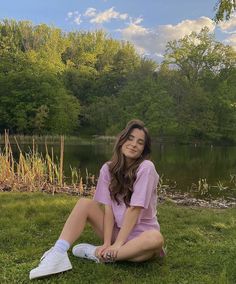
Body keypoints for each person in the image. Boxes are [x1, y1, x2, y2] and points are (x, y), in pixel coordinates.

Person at [29, 119, 165, 280]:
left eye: (140, 142)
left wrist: (118, 243)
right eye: (130, 138)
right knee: (84, 203)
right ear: (121, 141)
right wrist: (108, 242)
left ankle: (95, 253)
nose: (134, 144)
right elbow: (108, 209)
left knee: (156, 239)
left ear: (143, 150)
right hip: (116, 232)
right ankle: (58, 252)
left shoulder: (146, 168)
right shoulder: (107, 169)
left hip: (140, 235)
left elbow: (135, 209)